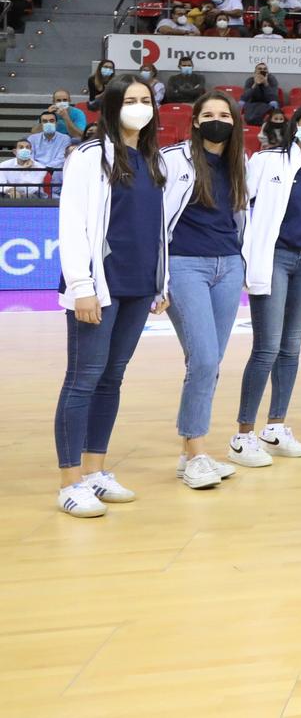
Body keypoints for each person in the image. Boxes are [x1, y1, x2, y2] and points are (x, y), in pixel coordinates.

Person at [53, 76, 170, 517]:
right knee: (83, 379)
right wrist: (81, 286)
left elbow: (157, 229)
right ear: (113, 105)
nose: (139, 107)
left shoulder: (151, 159)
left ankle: (96, 471)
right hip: (98, 288)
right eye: (131, 100)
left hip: (139, 286)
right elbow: (74, 224)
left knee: (111, 379)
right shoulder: (87, 156)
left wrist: (161, 283)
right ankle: (70, 481)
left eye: (146, 100)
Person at [232, 102, 301, 464]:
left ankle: (275, 427)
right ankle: (242, 435)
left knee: (291, 347)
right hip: (273, 258)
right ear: (295, 124)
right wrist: (244, 254)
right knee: (267, 347)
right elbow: (241, 206)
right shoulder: (267, 160)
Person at [161, 93, 249, 489]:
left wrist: (243, 261)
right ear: (195, 121)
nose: (217, 120)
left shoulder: (238, 162)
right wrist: (157, 279)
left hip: (228, 265)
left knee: (210, 363)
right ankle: (196, 451)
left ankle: (189, 453)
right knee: (203, 359)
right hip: (184, 265)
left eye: (224, 115)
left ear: (234, 122)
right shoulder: (174, 158)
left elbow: (239, 216)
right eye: (208, 114)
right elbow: (157, 220)